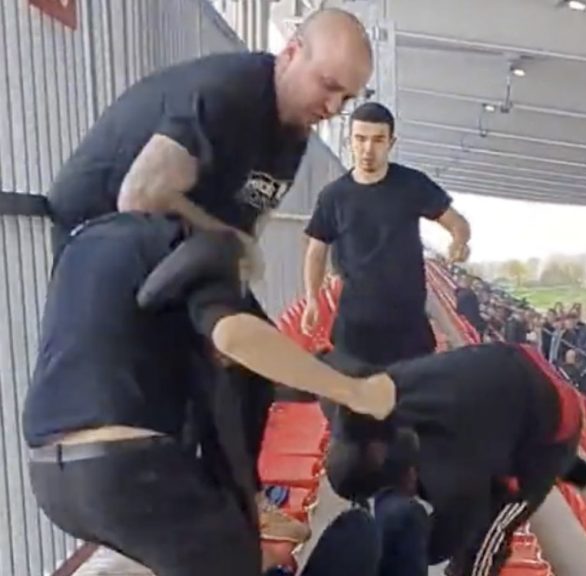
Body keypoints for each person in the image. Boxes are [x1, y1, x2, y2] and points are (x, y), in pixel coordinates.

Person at [44, 7, 373, 542]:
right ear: (292, 52)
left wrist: (235, 255)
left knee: (248, 365)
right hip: (104, 243)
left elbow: (247, 220)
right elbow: (141, 196)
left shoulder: (292, 135)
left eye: (347, 100)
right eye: (329, 86)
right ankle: (217, 503)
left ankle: (234, 500)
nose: (333, 108)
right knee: (211, 366)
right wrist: (228, 242)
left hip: (176, 250)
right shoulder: (228, 94)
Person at [23, 213, 396, 576]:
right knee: (356, 534)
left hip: (52, 481)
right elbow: (235, 341)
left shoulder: (85, 243)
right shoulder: (195, 242)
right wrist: (355, 391)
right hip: (133, 474)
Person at [319, 342, 586, 576]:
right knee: (512, 447)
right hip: (503, 369)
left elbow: (441, 544)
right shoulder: (358, 402)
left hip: (549, 412)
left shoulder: (455, 478)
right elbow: (323, 362)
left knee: (486, 539)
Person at [301, 102, 471, 365]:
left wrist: (459, 241)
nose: (368, 149)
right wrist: (312, 299)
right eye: (361, 139)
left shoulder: (412, 185)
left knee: (410, 402)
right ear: (350, 142)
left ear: (391, 142)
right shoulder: (333, 196)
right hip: (355, 330)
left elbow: (457, 222)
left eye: (378, 140)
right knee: (354, 402)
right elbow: (316, 251)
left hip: (408, 328)